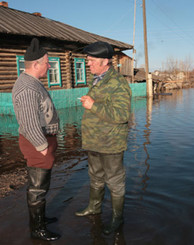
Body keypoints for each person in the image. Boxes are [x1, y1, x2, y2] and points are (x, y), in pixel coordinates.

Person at [75, 41, 132, 235]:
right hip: (94, 141)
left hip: (111, 143)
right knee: (96, 177)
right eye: (88, 60)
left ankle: (118, 218)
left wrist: (93, 106)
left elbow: (122, 115)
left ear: (105, 61)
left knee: (115, 181)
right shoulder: (98, 79)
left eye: (91, 60)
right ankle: (94, 207)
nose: (88, 64)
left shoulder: (118, 83)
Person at [12, 38, 60, 241]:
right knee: (37, 188)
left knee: (41, 185)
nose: (49, 66)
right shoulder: (27, 88)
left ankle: (40, 219)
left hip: (42, 141)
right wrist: (42, 147)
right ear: (36, 64)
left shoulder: (32, 83)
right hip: (37, 143)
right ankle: (37, 229)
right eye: (48, 62)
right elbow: (30, 123)